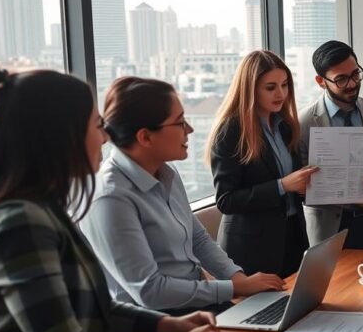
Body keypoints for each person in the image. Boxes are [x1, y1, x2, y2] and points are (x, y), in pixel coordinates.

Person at [0, 62, 231, 332]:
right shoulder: (19, 224)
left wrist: (169, 325)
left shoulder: (41, 209)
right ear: (59, 137)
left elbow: (93, 308)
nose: (104, 138)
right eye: (96, 126)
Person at [80, 77, 283, 315]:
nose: (190, 129)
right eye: (179, 123)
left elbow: (198, 239)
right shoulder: (110, 197)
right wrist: (232, 288)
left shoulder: (167, 172)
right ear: (145, 137)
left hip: (202, 304)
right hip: (158, 322)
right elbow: (150, 292)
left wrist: (238, 279)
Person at [208, 50, 318, 277]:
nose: (281, 93)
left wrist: (306, 185)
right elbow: (226, 201)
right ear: (250, 89)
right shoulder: (231, 131)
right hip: (252, 249)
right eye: (271, 87)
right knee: (263, 312)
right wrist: (283, 186)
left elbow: (294, 185)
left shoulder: (285, 126)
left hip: (292, 237)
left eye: (285, 85)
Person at [298, 41, 363, 250]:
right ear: (321, 81)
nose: (352, 84)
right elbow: (299, 185)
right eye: (341, 79)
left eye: (355, 74)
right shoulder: (304, 122)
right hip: (329, 229)